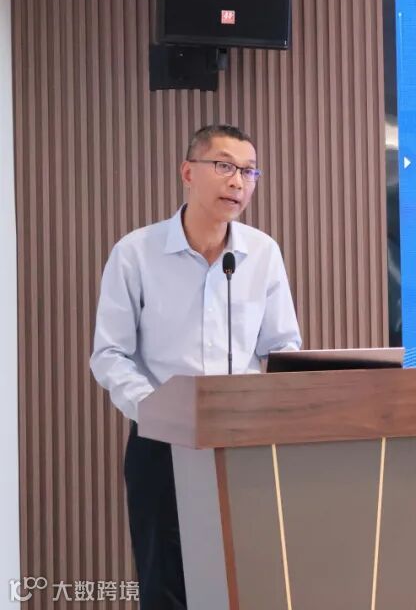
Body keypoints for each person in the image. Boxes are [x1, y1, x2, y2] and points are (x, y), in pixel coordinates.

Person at [89, 124, 302, 609]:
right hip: (162, 444)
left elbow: (283, 346)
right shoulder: (136, 253)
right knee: (166, 583)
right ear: (188, 172)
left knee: (248, 581)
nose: (238, 182)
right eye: (224, 166)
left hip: (245, 442)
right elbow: (110, 354)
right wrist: (160, 412)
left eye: (249, 171)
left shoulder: (261, 253)